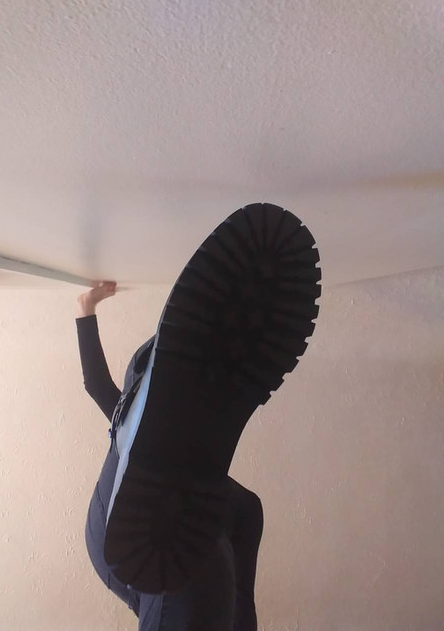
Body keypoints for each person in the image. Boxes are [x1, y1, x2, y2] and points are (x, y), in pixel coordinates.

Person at [75, 203, 321, 630]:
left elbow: (97, 386)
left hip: (130, 540)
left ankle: (145, 436)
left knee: (194, 579)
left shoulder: (126, 425)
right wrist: (84, 308)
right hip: (170, 529)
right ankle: (155, 438)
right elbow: (96, 385)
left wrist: (85, 309)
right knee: (243, 515)